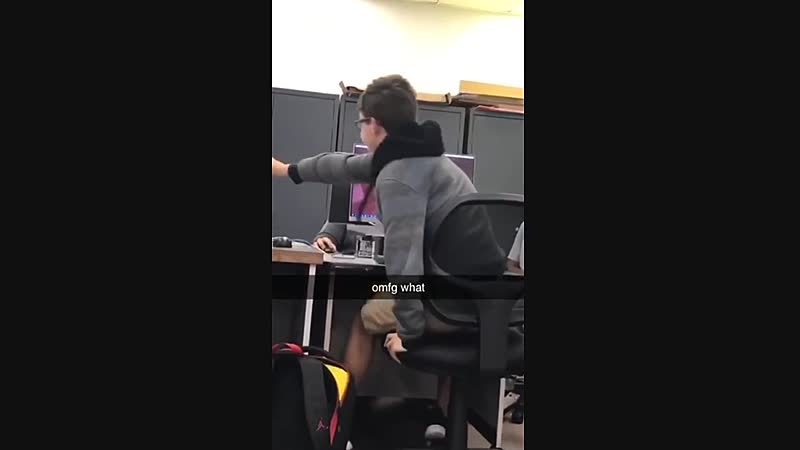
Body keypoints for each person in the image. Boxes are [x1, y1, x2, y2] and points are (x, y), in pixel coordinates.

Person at [272, 74, 510, 441]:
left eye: (360, 122)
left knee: (365, 316)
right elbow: (344, 165)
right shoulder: (422, 157)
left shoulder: (399, 177)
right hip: (479, 295)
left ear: (374, 124)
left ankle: (338, 423)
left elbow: (404, 265)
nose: (360, 129)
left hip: (453, 301)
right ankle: (443, 421)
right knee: (383, 296)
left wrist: (410, 334)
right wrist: (288, 170)